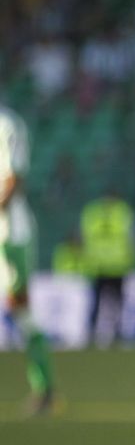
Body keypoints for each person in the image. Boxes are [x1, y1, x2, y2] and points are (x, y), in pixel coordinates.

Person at [0, 104, 57, 417]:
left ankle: (45, 388)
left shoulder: (7, 123)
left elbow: (14, 180)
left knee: (19, 308)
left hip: (10, 234)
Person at [80, 189, 135, 347]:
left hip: (104, 265)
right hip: (113, 264)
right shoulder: (122, 212)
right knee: (110, 301)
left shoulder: (92, 213)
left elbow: (84, 238)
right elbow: (132, 238)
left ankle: (97, 332)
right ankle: (111, 333)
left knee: (102, 302)